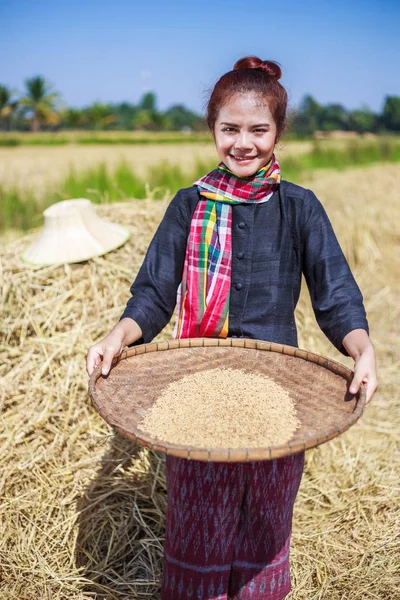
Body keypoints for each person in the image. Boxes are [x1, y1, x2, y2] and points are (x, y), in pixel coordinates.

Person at [86, 56, 378, 600]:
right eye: (230, 129)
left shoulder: (300, 209)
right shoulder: (188, 205)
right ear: (213, 130)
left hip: (275, 398)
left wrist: (362, 350)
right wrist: (116, 337)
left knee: (267, 519)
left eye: (258, 130)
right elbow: (153, 294)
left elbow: (335, 296)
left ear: (279, 132)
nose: (243, 143)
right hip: (198, 390)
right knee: (199, 521)